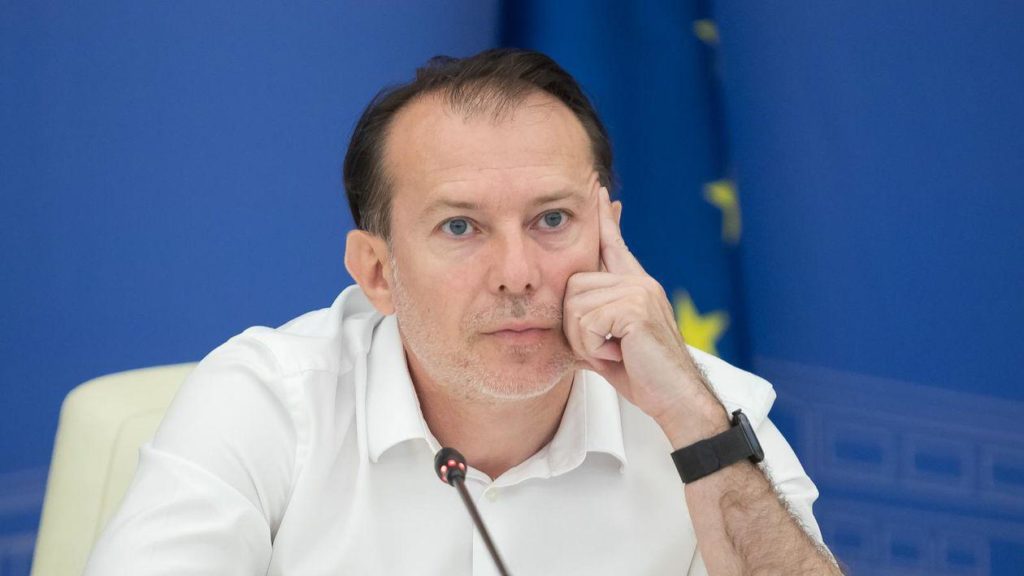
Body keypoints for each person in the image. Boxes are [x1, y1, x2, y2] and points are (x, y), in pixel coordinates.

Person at [86, 48, 841, 575]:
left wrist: (697, 428)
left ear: (610, 236)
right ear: (377, 272)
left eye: (552, 220)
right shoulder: (268, 402)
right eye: (460, 227)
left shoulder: (703, 409)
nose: (517, 275)